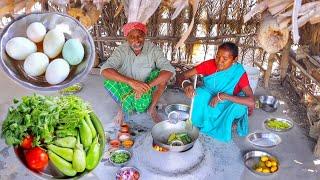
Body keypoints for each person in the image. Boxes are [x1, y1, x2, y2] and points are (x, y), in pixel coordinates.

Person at [100, 22, 175, 125]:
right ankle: (122, 108)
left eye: (139, 36)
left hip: (147, 86)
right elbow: (105, 70)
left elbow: (169, 70)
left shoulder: (153, 49)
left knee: (161, 77)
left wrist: (146, 86)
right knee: (109, 80)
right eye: (132, 37)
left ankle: (152, 108)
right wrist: (131, 82)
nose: (136, 40)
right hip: (127, 86)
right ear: (127, 38)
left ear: (144, 36)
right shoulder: (121, 50)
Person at [178, 42, 255, 142]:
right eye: (217, 56)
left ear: (234, 60)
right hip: (210, 98)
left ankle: (226, 122)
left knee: (239, 107)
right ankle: (205, 122)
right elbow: (181, 76)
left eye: (225, 59)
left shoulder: (238, 72)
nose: (219, 61)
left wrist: (223, 96)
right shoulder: (209, 65)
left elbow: (251, 101)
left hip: (229, 101)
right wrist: (186, 84)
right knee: (199, 94)